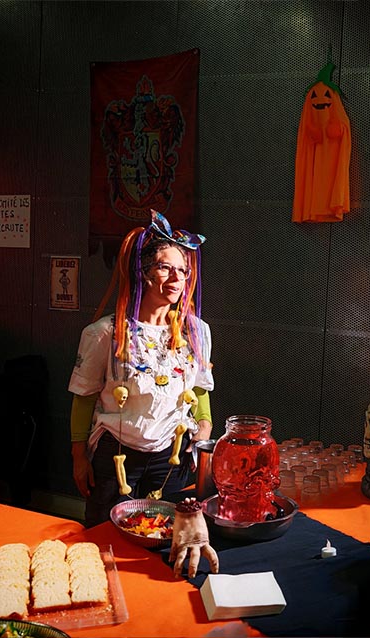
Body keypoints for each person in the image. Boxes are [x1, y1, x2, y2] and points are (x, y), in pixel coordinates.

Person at [69, 210, 215, 529]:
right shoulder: (105, 333)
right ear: (143, 272)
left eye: (183, 270)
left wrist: (204, 429)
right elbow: (83, 396)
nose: (177, 278)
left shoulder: (196, 332)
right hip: (117, 455)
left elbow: (200, 387)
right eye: (165, 268)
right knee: (107, 534)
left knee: (167, 535)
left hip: (172, 455)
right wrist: (79, 457)